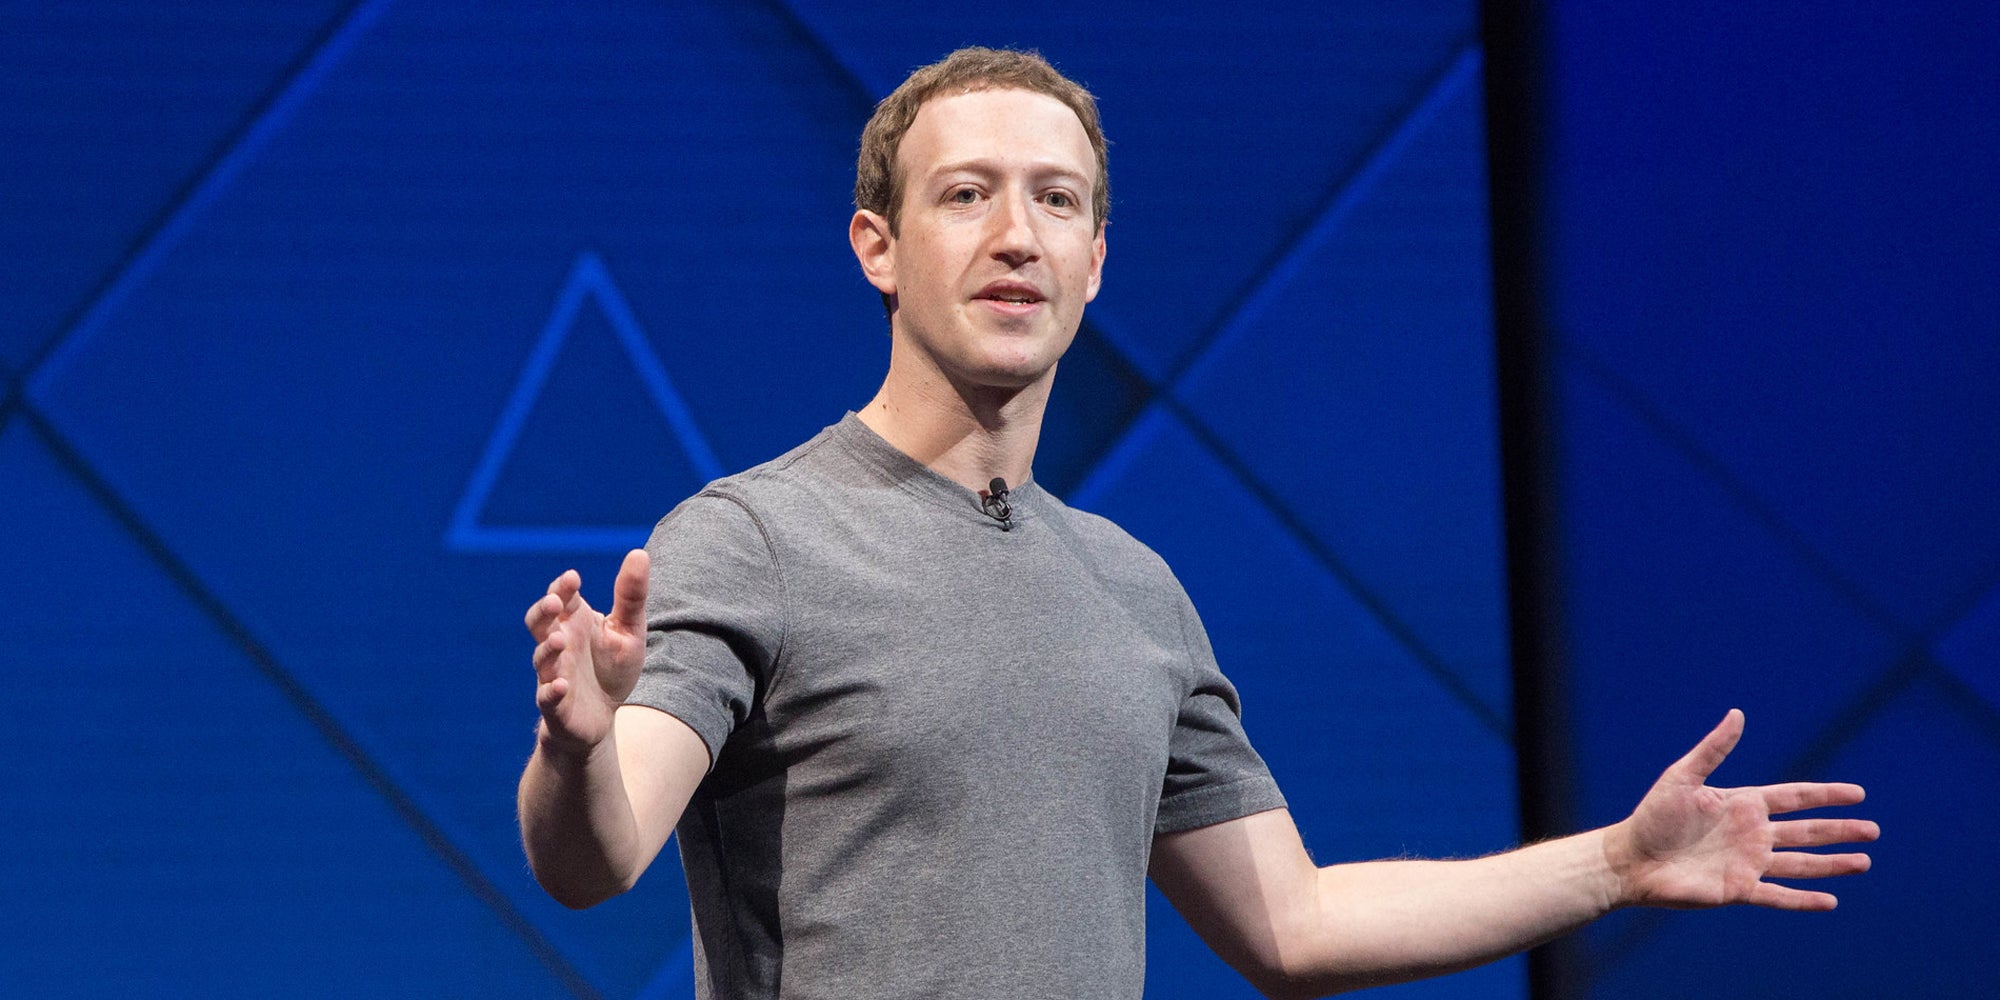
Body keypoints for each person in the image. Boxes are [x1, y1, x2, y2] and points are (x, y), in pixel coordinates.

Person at [517, 47, 1875, 1000]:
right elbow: (598, 859)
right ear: (879, 245)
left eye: (1056, 201)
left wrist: (1614, 865)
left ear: (1096, 262)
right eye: (966, 193)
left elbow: (1295, 925)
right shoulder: (755, 536)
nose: (1016, 235)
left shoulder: (1133, 591)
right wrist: (576, 754)